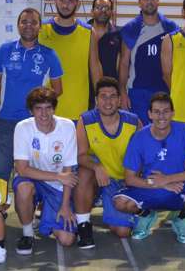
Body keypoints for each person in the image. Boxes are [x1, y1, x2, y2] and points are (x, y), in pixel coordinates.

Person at [113, 93, 185, 244]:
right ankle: (146, 214)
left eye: (166, 111)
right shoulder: (138, 137)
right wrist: (160, 183)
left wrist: (168, 179)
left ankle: (181, 217)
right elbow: (129, 178)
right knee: (120, 202)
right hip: (151, 188)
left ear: (173, 113)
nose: (161, 116)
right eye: (156, 112)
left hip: (178, 187)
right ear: (149, 114)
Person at [0, 8, 63, 181]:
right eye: (24, 22)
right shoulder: (5, 50)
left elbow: (58, 89)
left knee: (33, 169)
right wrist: (6, 102)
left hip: (36, 123)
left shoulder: (49, 54)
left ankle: (32, 204)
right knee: (1, 168)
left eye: (33, 22)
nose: (28, 26)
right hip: (7, 119)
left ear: (40, 27)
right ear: (18, 25)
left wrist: (39, 108)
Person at [74, 77, 142, 248]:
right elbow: (80, 155)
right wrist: (97, 166)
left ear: (120, 100)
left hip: (123, 181)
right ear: (96, 100)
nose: (108, 101)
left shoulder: (133, 122)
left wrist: (135, 181)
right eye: (103, 96)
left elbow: (144, 157)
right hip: (98, 178)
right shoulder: (86, 120)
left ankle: (116, 206)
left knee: (122, 232)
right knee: (84, 171)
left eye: (112, 96)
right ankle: (83, 225)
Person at [13, 87, 78, 253]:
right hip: (33, 179)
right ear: (31, 111)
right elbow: (22, 169)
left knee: (67, 240)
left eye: (48, 108)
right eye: (38, 109)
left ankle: (46, 214)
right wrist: (58, 176)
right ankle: (28, 233)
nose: (43, 114)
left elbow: (68, 172)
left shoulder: (68, 126)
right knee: (23, 188)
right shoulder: (22, 127)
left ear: (54, 109)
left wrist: (65, 206)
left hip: (57, 185)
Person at [119, 0, 178, 124]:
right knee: (140, 133)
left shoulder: (170, 27)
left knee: (164, 134)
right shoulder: (130, 29)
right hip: (138, 92)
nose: (149, 2)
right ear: (139, 2)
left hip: (165, 90)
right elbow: (124, 63)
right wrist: (122, 92)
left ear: (158, 0)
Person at [39, 0, 92, 121]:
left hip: (77, 111)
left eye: (70, 1)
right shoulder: (40, 30)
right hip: (44, 111)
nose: (65, 5)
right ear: (55, 0)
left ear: (77, 4)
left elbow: (96, 68)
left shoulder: (89, 32)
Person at [89, 0, 122, 85]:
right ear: (92, 11)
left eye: (106, 8)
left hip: (110, 91)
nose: (103, 11)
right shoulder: (82, 32)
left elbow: (123, 65)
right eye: (99, 7)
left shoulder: (120, 34)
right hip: (84, 89)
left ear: (111, 12)